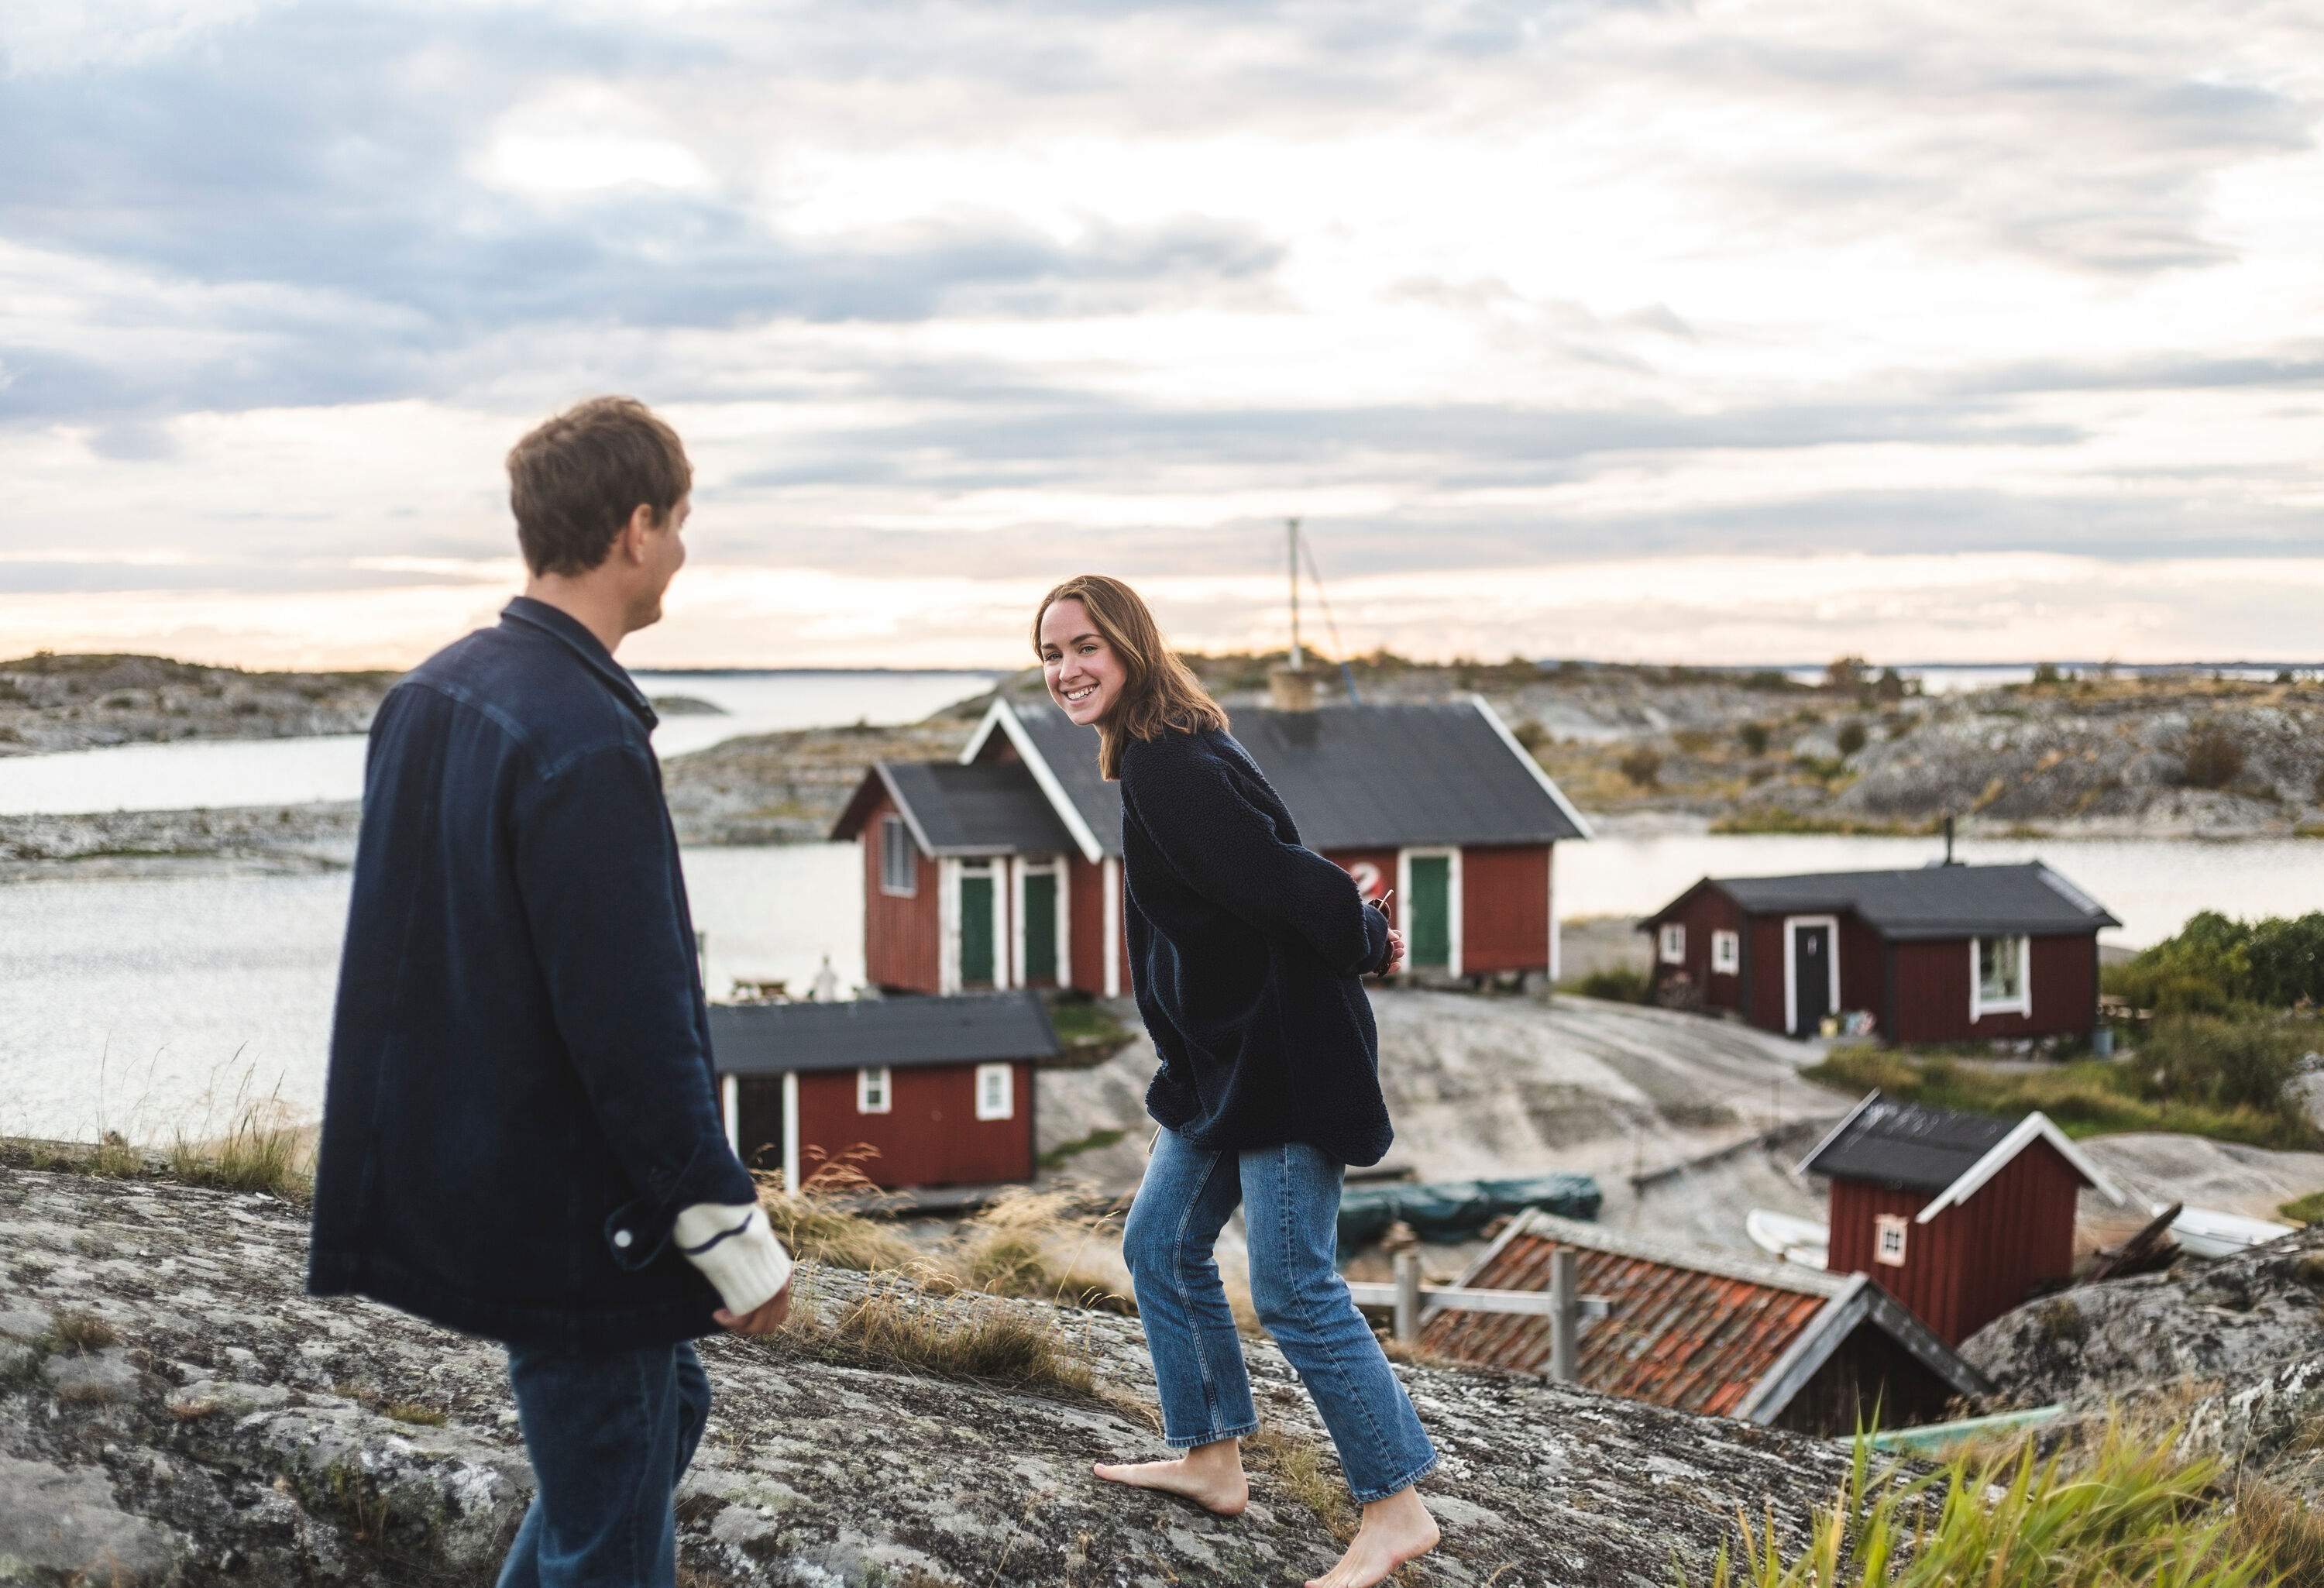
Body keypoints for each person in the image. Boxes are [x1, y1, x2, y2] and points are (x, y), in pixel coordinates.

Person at [308, 397, 794, 1588]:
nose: (682, 547)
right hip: (582, 1219)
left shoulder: (434, 690)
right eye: (678, 522)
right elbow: (632, 1029)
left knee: (661, 1414)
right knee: (615, 1531)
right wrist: (733, 1237)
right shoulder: (581, 738)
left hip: (484, 1179)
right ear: (635, 528)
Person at [1037, 576, 1442, 1588]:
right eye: (1049, 655)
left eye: (1082, 645)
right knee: (1161, 1245)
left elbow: (1282, 878)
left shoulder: (1173, 759)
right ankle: (1212, 1456)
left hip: (1286, 1055)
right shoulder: (1164, 753)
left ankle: (1396, 1508)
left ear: (1130, 643)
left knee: (1294, 1284)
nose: (1065, 670)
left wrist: (1366, 930)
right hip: (1224, 1062)